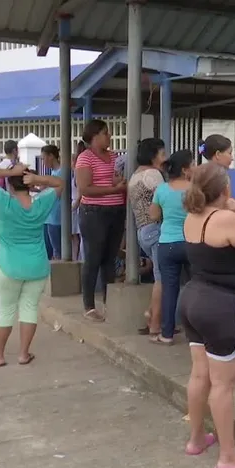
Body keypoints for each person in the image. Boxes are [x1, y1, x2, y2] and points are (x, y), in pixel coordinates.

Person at [178, 163, 235, 468]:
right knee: (223, 385)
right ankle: (229, 457)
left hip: (192, 299)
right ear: (226, 189)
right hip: (224, 306)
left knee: (199, 375)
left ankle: (196, 438)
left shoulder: (192, 217)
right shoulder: (228, 218)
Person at [0, 163, 64, 367]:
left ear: (9, 184)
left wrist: (11, 172)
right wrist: (37, 179)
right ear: (29, 184)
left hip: (9, 267)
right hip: (37, 266)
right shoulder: (41, 202)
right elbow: (60, 183)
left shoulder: (4, 202)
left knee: (5, 312)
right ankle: (24, 354)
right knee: (29, 309)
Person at [75, 119, 127, 322]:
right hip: (94, 212)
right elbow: (85, 189)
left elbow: (116, 177)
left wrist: (119, 183)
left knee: (110, 258)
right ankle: (89, 305)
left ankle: (108, 301)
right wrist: (113, 189)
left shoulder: (114, 156)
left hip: (116, 210)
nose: (109, 136)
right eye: (106, 133)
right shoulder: (85, 158)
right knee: (93, 258)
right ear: (94, 136)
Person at [149, 150, 195, 345]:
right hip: (192, 243)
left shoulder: (162, 190)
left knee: (170, 290)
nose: (195, 168)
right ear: (185, 170)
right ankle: (196, 334)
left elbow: (153, 215)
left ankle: (167, 334)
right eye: (192, 165)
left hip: (167, 244)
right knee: (196, 288)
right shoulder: (195, 189)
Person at [128, 138, 167, 336]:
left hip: (142, 231)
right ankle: (155, 324)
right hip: (156, 228)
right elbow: (163, 202)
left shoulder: (135, 175)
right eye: (162, 154)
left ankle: (151, 313)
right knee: (161, 279)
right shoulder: (153, 175)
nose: (164, 158)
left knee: (160, 277)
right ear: (153, 155)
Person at [41, 144, 66, 260]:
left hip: (56, 218)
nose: (43, 161)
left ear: (51, 156)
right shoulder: (53, 173)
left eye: (44, 158)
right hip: (49, 217)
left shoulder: (61, 173)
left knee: (57, 251)